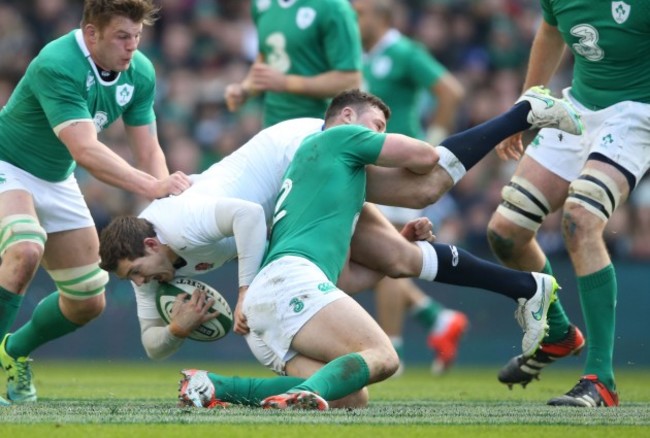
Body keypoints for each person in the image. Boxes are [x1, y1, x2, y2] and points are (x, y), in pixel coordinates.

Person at [97, 86, 582, 409]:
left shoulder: (178, 222)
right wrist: (177, 329)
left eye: (136, 271)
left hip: (296, 157)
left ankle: (527, 116)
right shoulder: (150, 261)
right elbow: (152, 342)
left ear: (150, 243)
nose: (139, 281)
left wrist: (243, 292)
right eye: (132, 279)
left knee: (410, 218)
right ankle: (527, 285)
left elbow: (245, 215)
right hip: (287, 238)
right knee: (403, 243)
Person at [0, 0, 192, 407]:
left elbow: (149, 150)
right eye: (122, 36)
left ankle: (12, 351)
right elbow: (85, 150)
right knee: (25, 248)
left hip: (56, 178)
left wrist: (164, 202)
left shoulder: (139, 71)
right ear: (92, 34)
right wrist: (151, 185)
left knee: (88, 299)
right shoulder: (57, 62)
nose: (131, 47)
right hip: (8, 165)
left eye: (137, 36)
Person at [486, 0, 650, 407]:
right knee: (505, 233)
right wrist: (526, 107)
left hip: (635, 111)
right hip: (577, 107)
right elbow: (550, 29)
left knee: (581, 217)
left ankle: (601, 378)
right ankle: (558, 331)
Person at [353, 0, 468, 375]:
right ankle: (435, 318)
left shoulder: (404, 52)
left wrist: (434, 143)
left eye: (361, 13)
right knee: (372, 254)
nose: (354, 20)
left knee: (386, 255)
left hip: (401, 169)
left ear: (382, 17)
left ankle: (393, 348)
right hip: (373, 168)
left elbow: (450, 92)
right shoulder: (362, 56)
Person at [224, 0, 362, 127]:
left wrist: (286, 83)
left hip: (318, 127)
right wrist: (245, 90)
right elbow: (267, 57)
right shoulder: (261, 4)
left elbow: (350, 80)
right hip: (273, 126)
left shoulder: (333, 7)